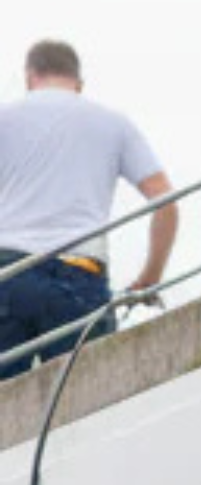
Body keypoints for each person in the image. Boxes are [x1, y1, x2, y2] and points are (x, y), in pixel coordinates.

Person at [0, 41, 177, 379]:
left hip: (7, 274)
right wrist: (148, 280)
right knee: (83, 408)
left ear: (29, 77)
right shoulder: (112, 124)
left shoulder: (4, 119)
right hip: (79, 275)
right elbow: (165, 203)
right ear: (79, 83)